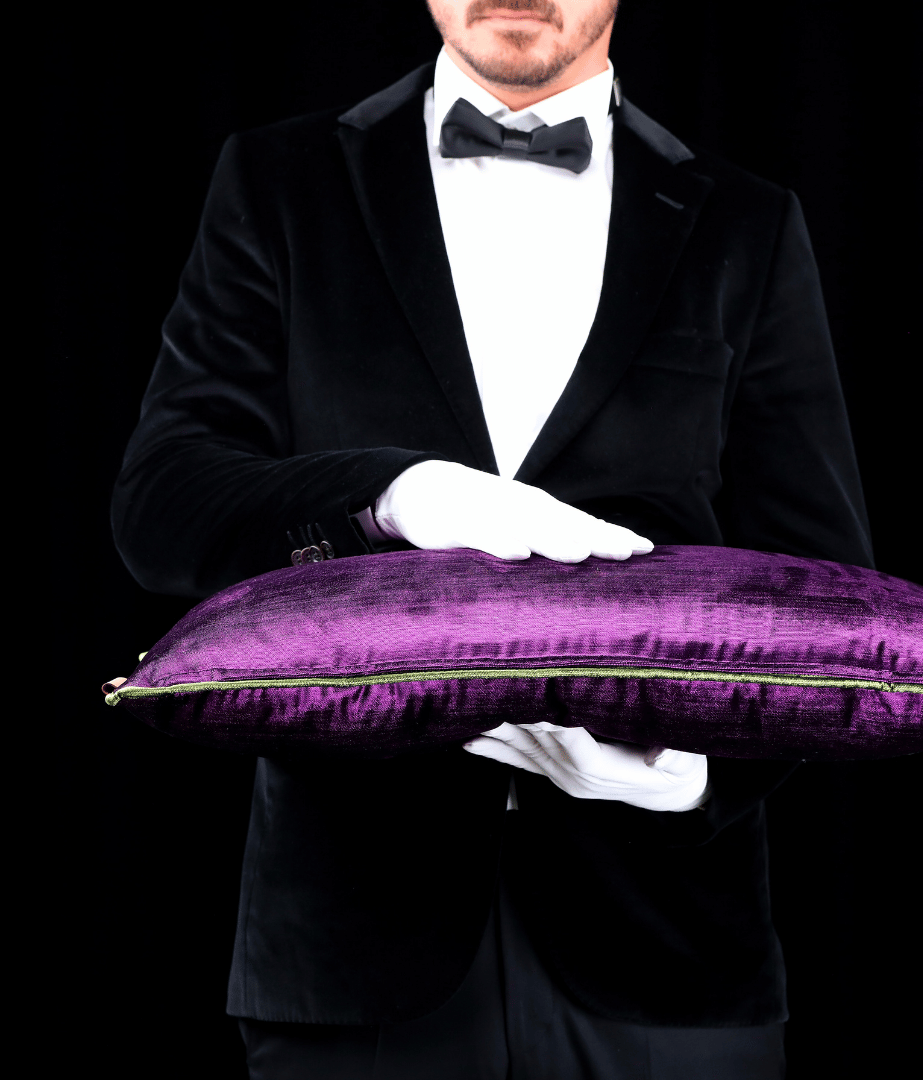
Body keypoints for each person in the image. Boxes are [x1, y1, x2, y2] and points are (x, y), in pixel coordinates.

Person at [112, 1, 873, 1076]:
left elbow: (824, 588)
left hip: (670, 950)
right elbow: (162, 507)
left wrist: (693, 773)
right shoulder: (278, 180)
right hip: (352, 946)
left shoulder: (747, 219)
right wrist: (393, 495)